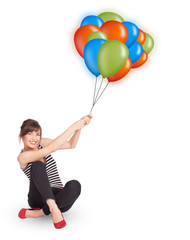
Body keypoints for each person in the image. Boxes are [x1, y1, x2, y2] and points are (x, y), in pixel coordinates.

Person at [17, 114, 93, 229]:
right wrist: (73, 126)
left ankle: (40, 212)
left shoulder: (41, 144)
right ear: (22, 136)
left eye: (37, 134)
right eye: (30, 133)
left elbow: (71, 144)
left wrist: (79, 128)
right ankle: (52, 206)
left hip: (59, 196)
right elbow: (52, 148)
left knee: (75, 184)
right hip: (38, 198)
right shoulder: (22, 157)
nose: (34, 138)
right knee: (38, 164)